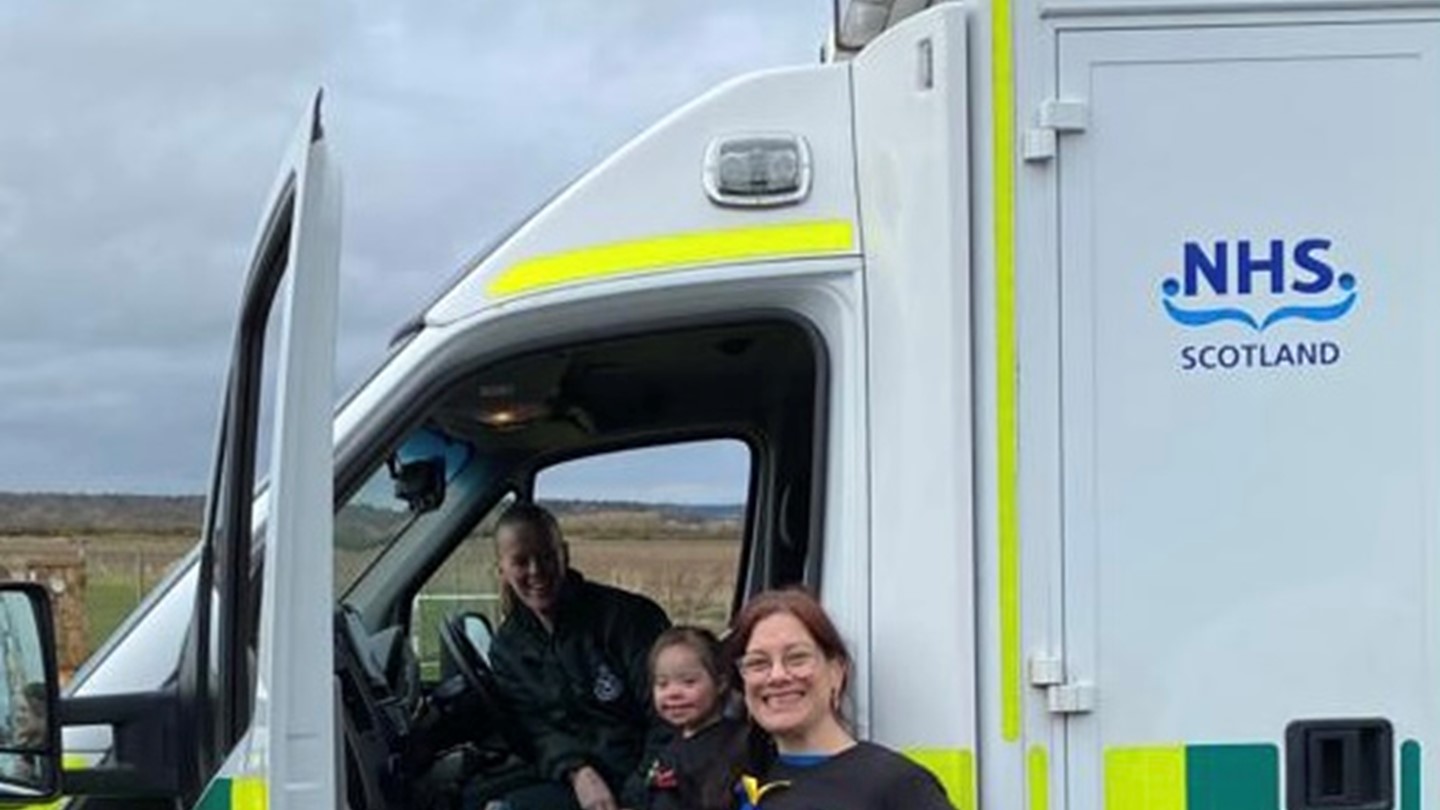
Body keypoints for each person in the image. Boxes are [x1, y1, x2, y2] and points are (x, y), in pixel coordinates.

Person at [485, 502, 672, 810]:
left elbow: (670, 719)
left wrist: (637, 794)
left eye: (547, 556)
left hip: (649, 777)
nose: (536, 571)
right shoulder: (507, 648)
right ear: (502, 570)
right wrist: (577, 771)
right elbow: (535, 730)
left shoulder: (629, 619)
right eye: (521, 561)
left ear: (565, 554)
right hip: (574, 777)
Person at [724, 588, 955, 810]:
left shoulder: (899, 786)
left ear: (836, 672)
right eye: (758, 663)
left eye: (797, 658)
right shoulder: (739, 785)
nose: (777, 676)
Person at [643, 626, 745, 810]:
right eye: (662, 684)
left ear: (721, 682)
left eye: (688, 682)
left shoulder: (740, 744)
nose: (673, 693)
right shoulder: (671, 749)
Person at [0, 683, 47, 784]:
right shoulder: (22, 750)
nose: (17, 716)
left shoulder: (48, 754)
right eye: (16, 710)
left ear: (41, 713)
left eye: (23, 710)